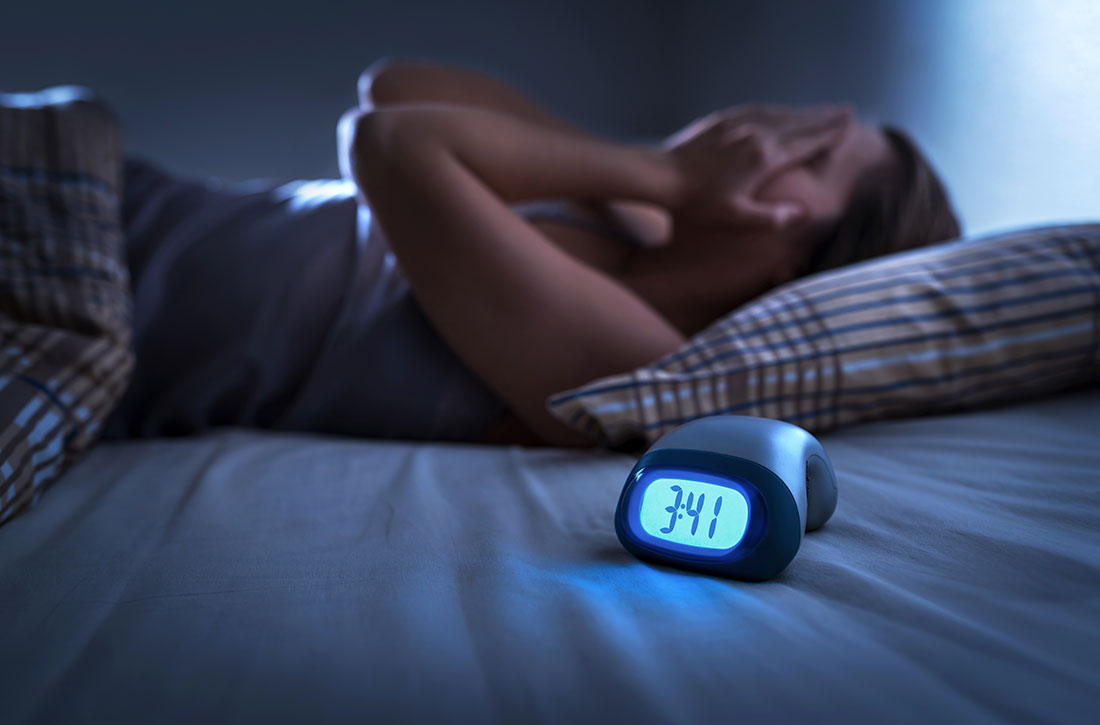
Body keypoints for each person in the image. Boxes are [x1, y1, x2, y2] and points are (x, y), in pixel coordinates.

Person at [100, 58, 961, 449]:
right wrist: (666, 175)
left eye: (811, 157)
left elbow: (391, 141)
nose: (772, 129)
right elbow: (400, 82)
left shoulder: (641, 362)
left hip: (103, 298)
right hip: (114, 201)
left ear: (804, 266)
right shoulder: (636, 217)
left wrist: (664, 171)